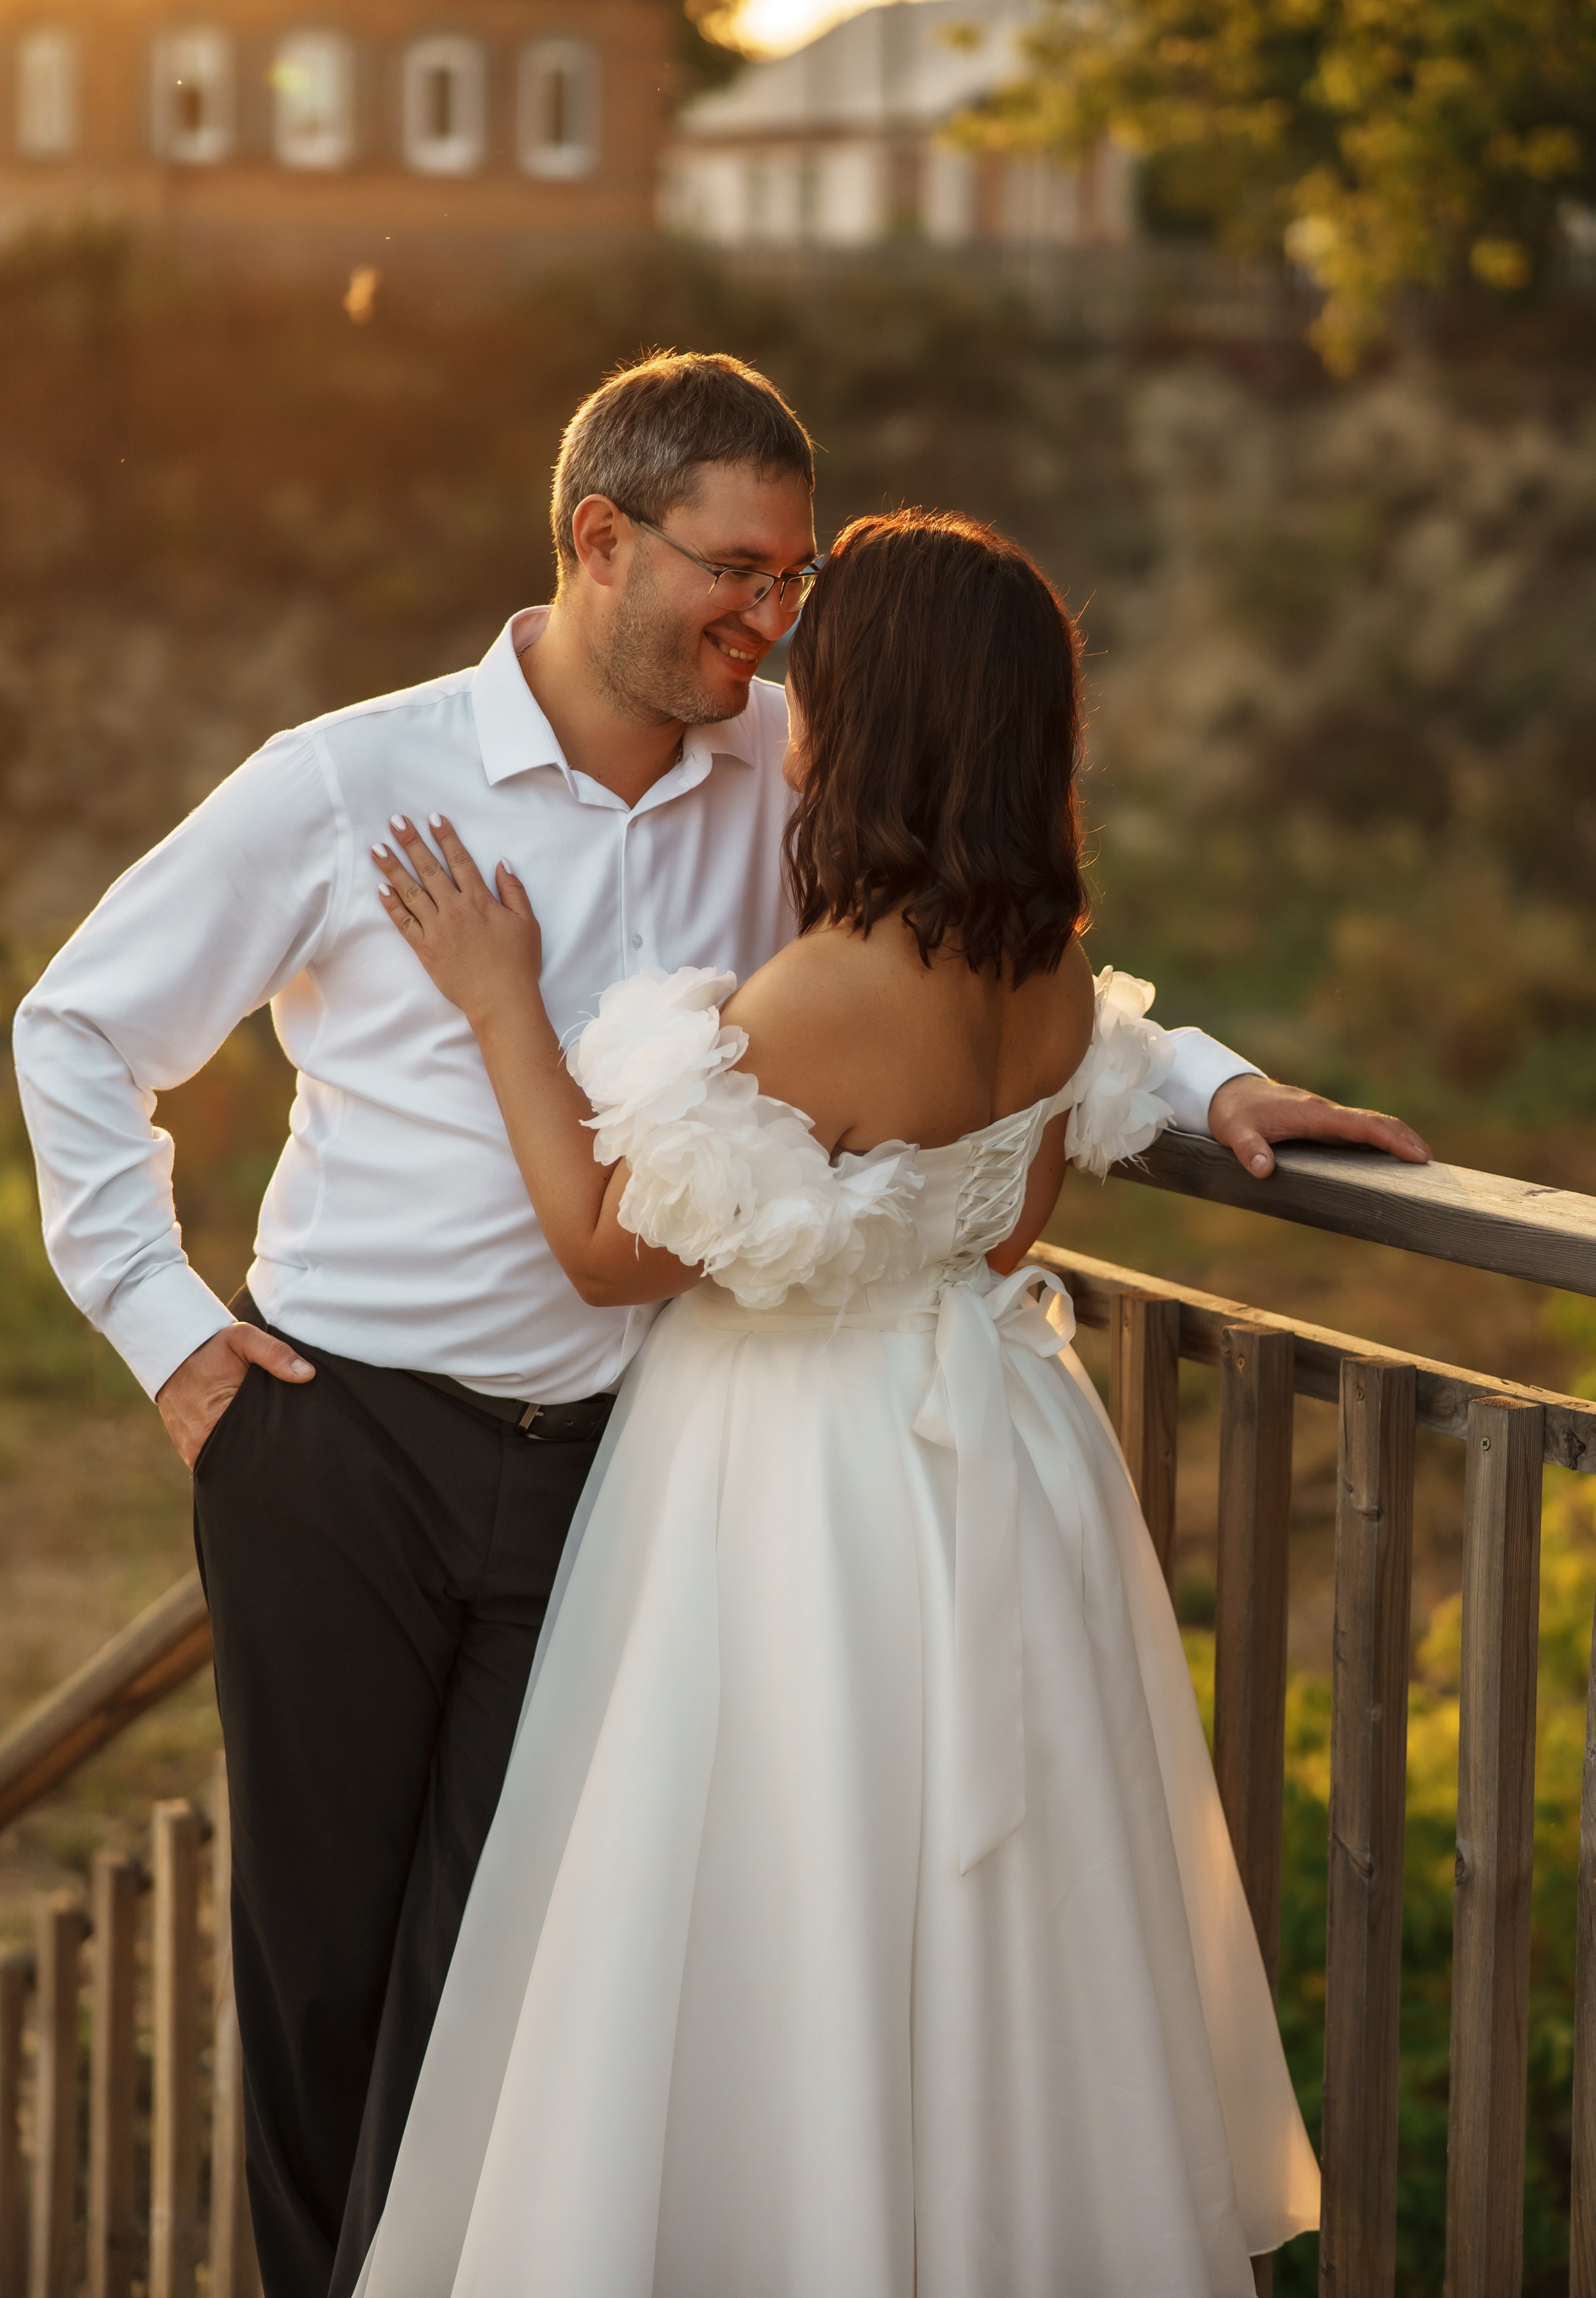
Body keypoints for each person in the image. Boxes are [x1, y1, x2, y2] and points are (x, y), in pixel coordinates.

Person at [12, 355, 1426, 2298]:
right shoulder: (348, 780)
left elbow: (984, 948)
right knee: (323, 1973)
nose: (773, 626)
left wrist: (1215, 1088)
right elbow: (78, 1030)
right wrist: (171, 1334)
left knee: (514, 1986)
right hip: (343, 1441)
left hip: (622, 1468)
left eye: (798, 580)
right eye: (740, 575)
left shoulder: (799, 763)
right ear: (604, 539)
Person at [346, 506, 1328, 2295]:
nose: (782, 683)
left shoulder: (816, 1000)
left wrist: (501, 1000)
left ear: (873, 720)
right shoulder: (1038, 979)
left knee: (773, 1893)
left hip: (790, 1483)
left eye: (814, 665)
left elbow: (598, 1243)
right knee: (982, 1921)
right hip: (1000, 1465)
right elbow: (1008, 1216)